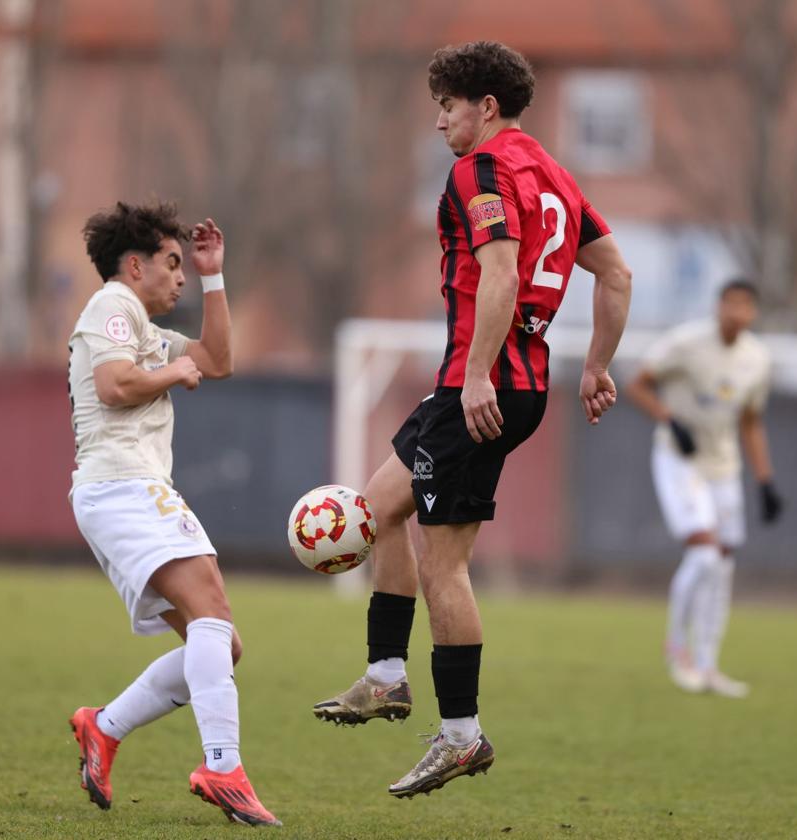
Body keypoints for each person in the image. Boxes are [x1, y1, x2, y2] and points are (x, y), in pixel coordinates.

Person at [312, 41, 632, 798]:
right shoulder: (551, 172)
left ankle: (462, 737)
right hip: (496, 380)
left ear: (485, 106)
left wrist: (481, 374)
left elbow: (500, 268)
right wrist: (595, 366)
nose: (439, 124)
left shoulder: (483, 169)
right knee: (378, 506)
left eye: (447, 107)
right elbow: (616, 271)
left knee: (444, 562)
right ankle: (387, 675)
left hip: (483, 385)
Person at [65, 201, 279, 827]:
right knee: (211, 602)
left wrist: (215, 277)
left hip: (127, 490)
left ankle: (103, 729)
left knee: (221, 644)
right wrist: (169, 373)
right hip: (123, 484)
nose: (180, 275)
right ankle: (222, 765)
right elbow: (113, 386)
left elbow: (217, 360)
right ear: (135, 265)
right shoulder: (112, 306)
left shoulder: (145, 329)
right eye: (173, 262)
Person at [626, 279, 783, 698]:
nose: (736, 312)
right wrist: (669, 419)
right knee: (704, 553)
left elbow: (751, 421)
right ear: (718, 307)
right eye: (730, 303)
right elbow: (637, 383)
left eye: (745, 305)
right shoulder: (686, 343)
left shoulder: (757, 359)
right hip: (679, 459)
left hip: (723, 466)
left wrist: (765, 480)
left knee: (724, 563)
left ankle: (709, 663)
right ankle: (678, 650)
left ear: (753, 313)